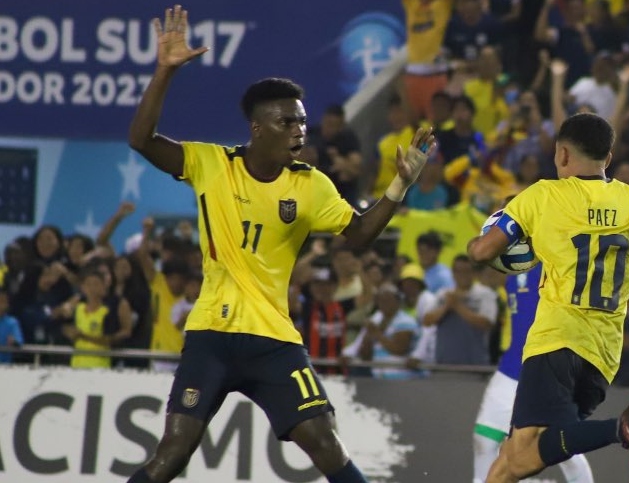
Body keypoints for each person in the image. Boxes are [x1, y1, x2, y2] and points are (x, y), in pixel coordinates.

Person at [125, 6, 435, 483]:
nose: (300, 130)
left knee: (327, 443)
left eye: (302, 121)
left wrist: (399, 187)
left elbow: (361, 235)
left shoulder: (311, 186)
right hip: (212, 336)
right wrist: (165, 72)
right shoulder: (212, 165)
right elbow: (141, 138)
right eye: (288, 122)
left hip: (274, 341)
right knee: (173, 452)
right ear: (257, 128)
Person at [467, 113, 629, 481]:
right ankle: (616, 428)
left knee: (519, 457)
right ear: (609, 159)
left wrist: (484, 234)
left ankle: (619, 428)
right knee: (511, 457)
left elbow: (480, 253)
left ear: (563, 155)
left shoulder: (543, 195)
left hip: (556, 338)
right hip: (603, 355)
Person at [473, 263, 594, 483]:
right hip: (510, 370)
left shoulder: (554, 266)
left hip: (546, 374)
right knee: (485, 439)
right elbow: (484, 264)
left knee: (563, 446)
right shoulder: (514, 267)